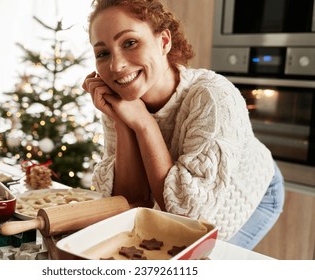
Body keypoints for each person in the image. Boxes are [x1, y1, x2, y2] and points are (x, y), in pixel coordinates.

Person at [82, 0, 284, 250]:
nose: (116, 65)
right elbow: (131, 202)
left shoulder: (213, 97)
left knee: (207, 261)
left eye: (130, 43)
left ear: (164, 41)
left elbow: (189, 215)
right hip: (191, 200)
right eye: (103, 53)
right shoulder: (122, 100)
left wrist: (144, 123)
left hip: (250, 190)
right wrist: (123, 123)